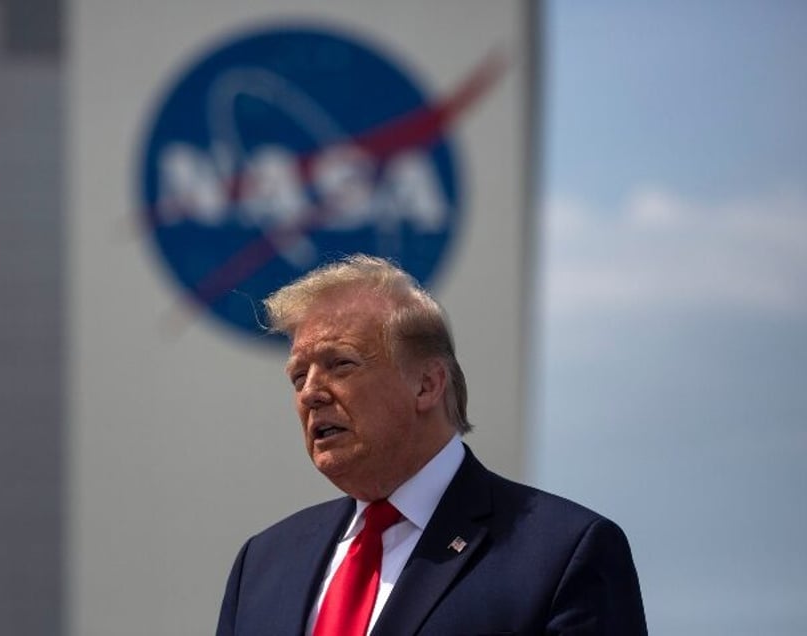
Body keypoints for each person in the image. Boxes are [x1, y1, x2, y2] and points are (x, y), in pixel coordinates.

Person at [216, 254, 647, 635]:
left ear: (427, 384)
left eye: (340, 364)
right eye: (297, 377)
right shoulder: (262, 566)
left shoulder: (563, 554)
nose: (310, 393)